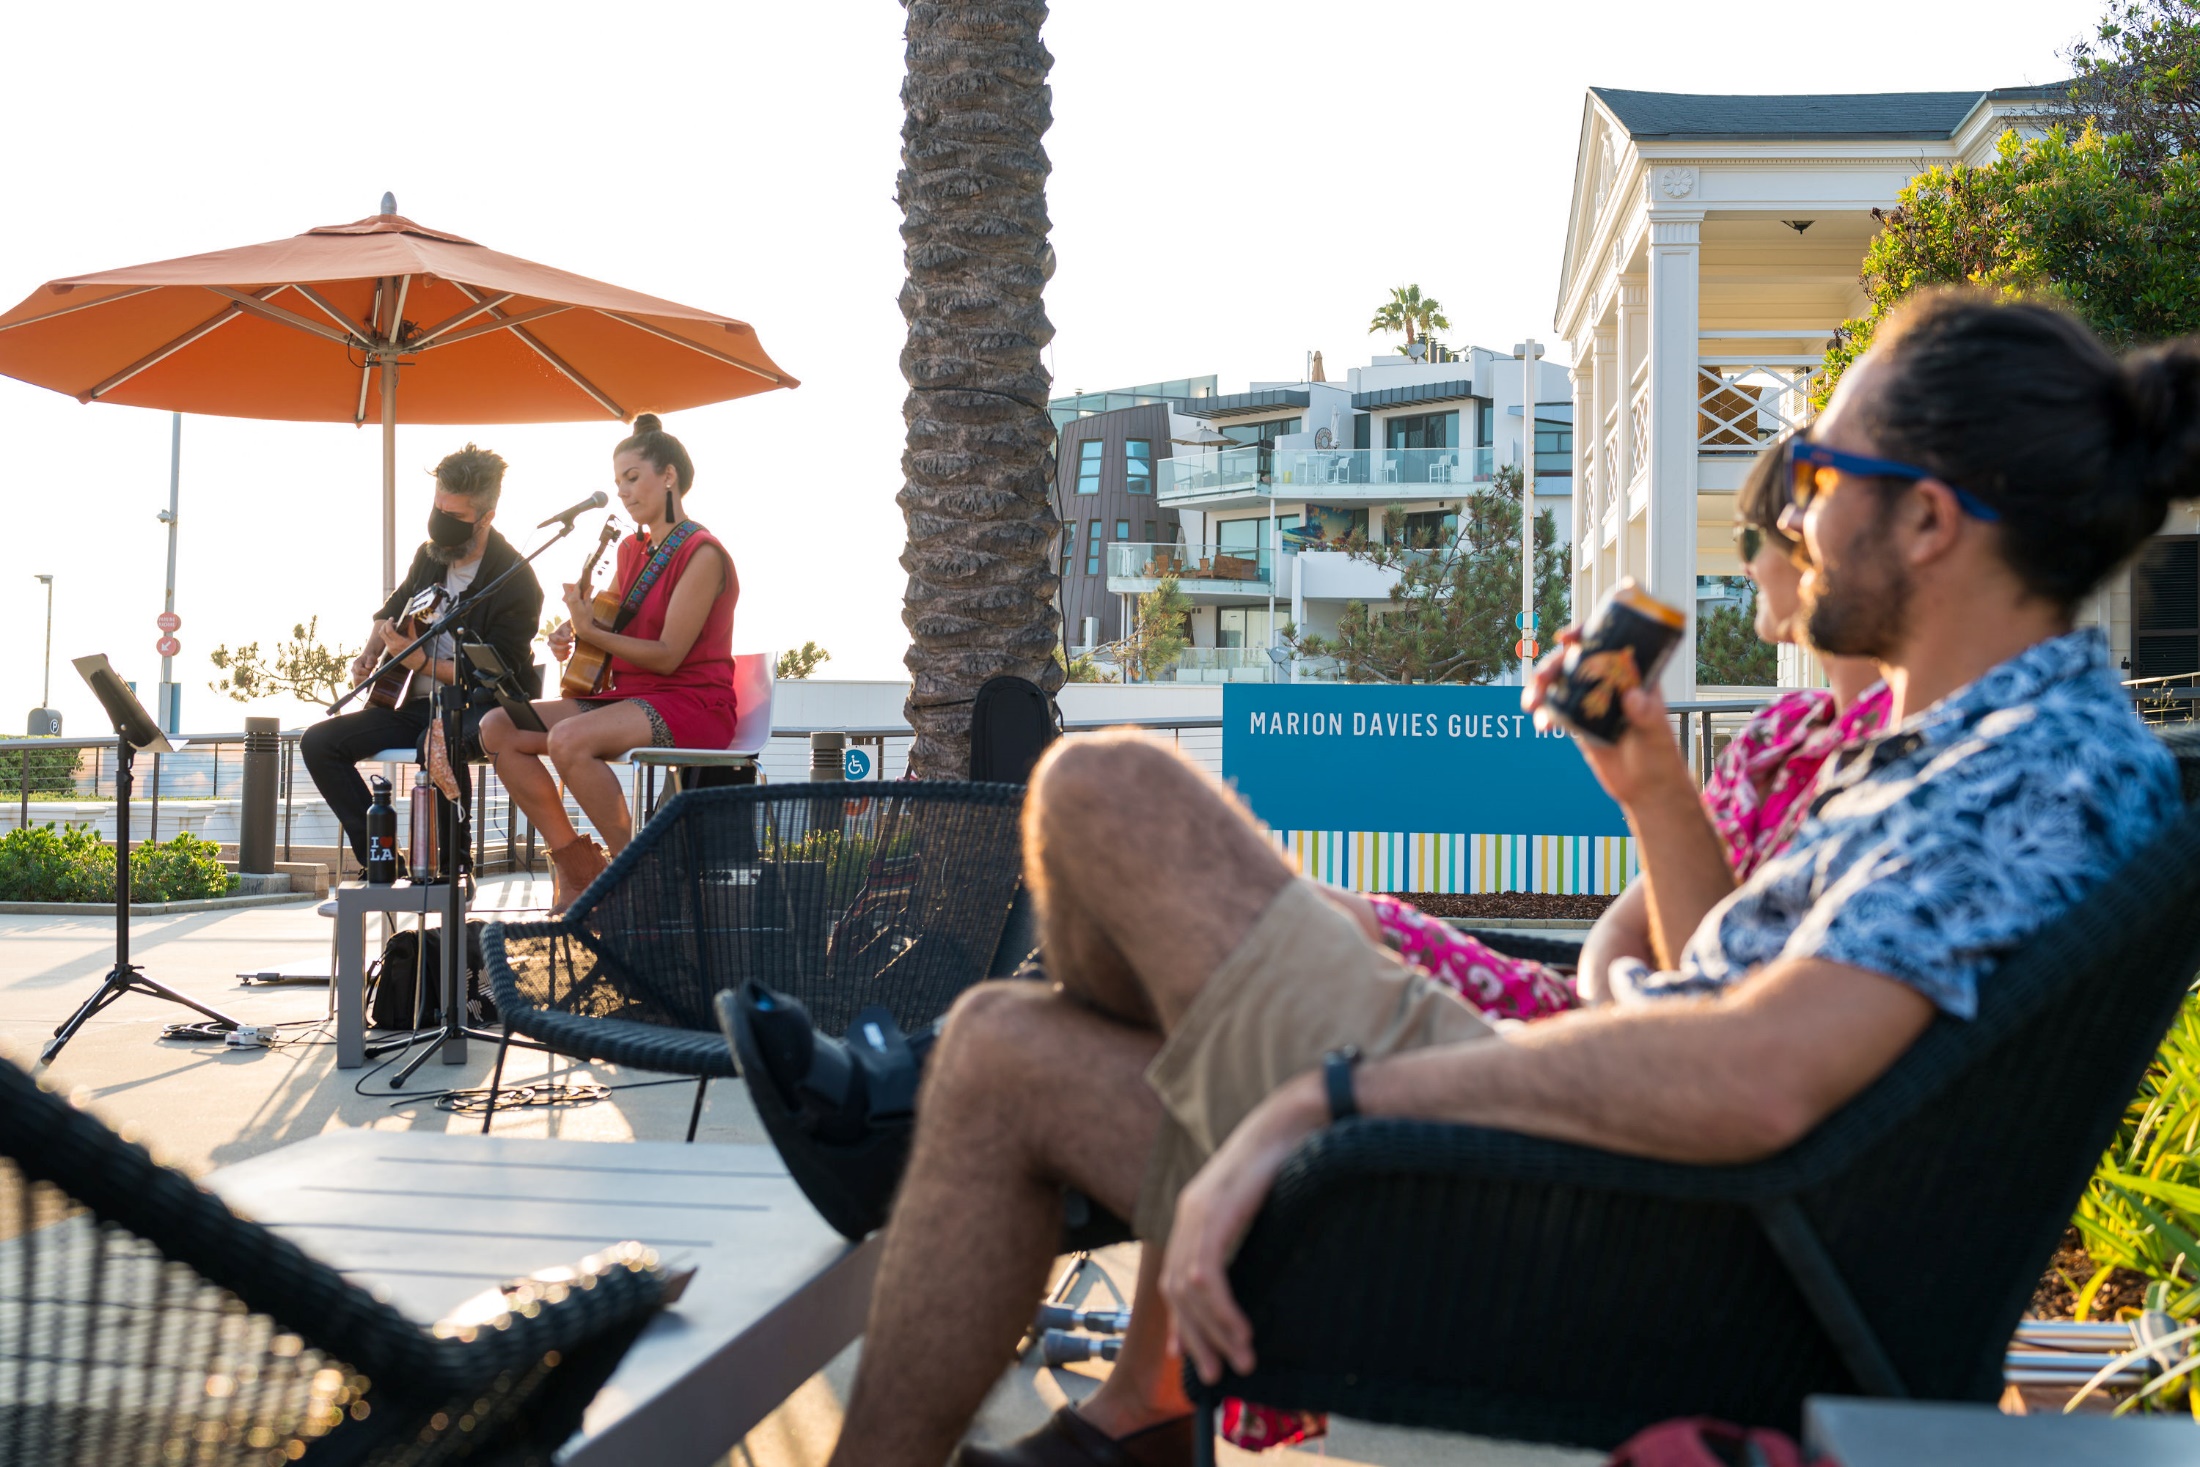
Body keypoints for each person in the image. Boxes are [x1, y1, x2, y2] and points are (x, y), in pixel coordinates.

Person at [818, 290, 2200, 1467]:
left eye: (1823, 479)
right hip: (1608, 1202)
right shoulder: (1980, 748)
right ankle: (1131, 1404)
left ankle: (1093, 1301)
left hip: (1594, 1238)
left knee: (1103, 789)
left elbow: (1762, 1073)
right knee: (1004, 1048)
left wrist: (1323, 1098)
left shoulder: (2026, 767)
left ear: (1932, 524)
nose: (1799, 515)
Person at [478, 414, 739, 910]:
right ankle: (579, 867)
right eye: (618, 481)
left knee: (568, 740)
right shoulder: (630, 550)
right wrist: (572, 632)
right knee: (498, 728)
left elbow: (668, 657)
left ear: (669, 476)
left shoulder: (702, 553)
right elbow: (607, 622)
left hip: (691, 703)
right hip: (630, 697)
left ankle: (640, 876)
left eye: (632, 477)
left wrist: (592, 632)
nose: (622, 491)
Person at [300, 444, 542, 874]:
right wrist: (370, 653)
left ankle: (453, 865)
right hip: (415, 706)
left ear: (486, 517)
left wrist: (420, 665)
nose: (440, 522)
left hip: (481, 709)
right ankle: (380, 859)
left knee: (438, 743)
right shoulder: (428, 556)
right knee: (319, 743)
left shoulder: (516, 580)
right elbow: (391, 611)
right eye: (437, 508)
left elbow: (494, 672)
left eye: (454, 516)